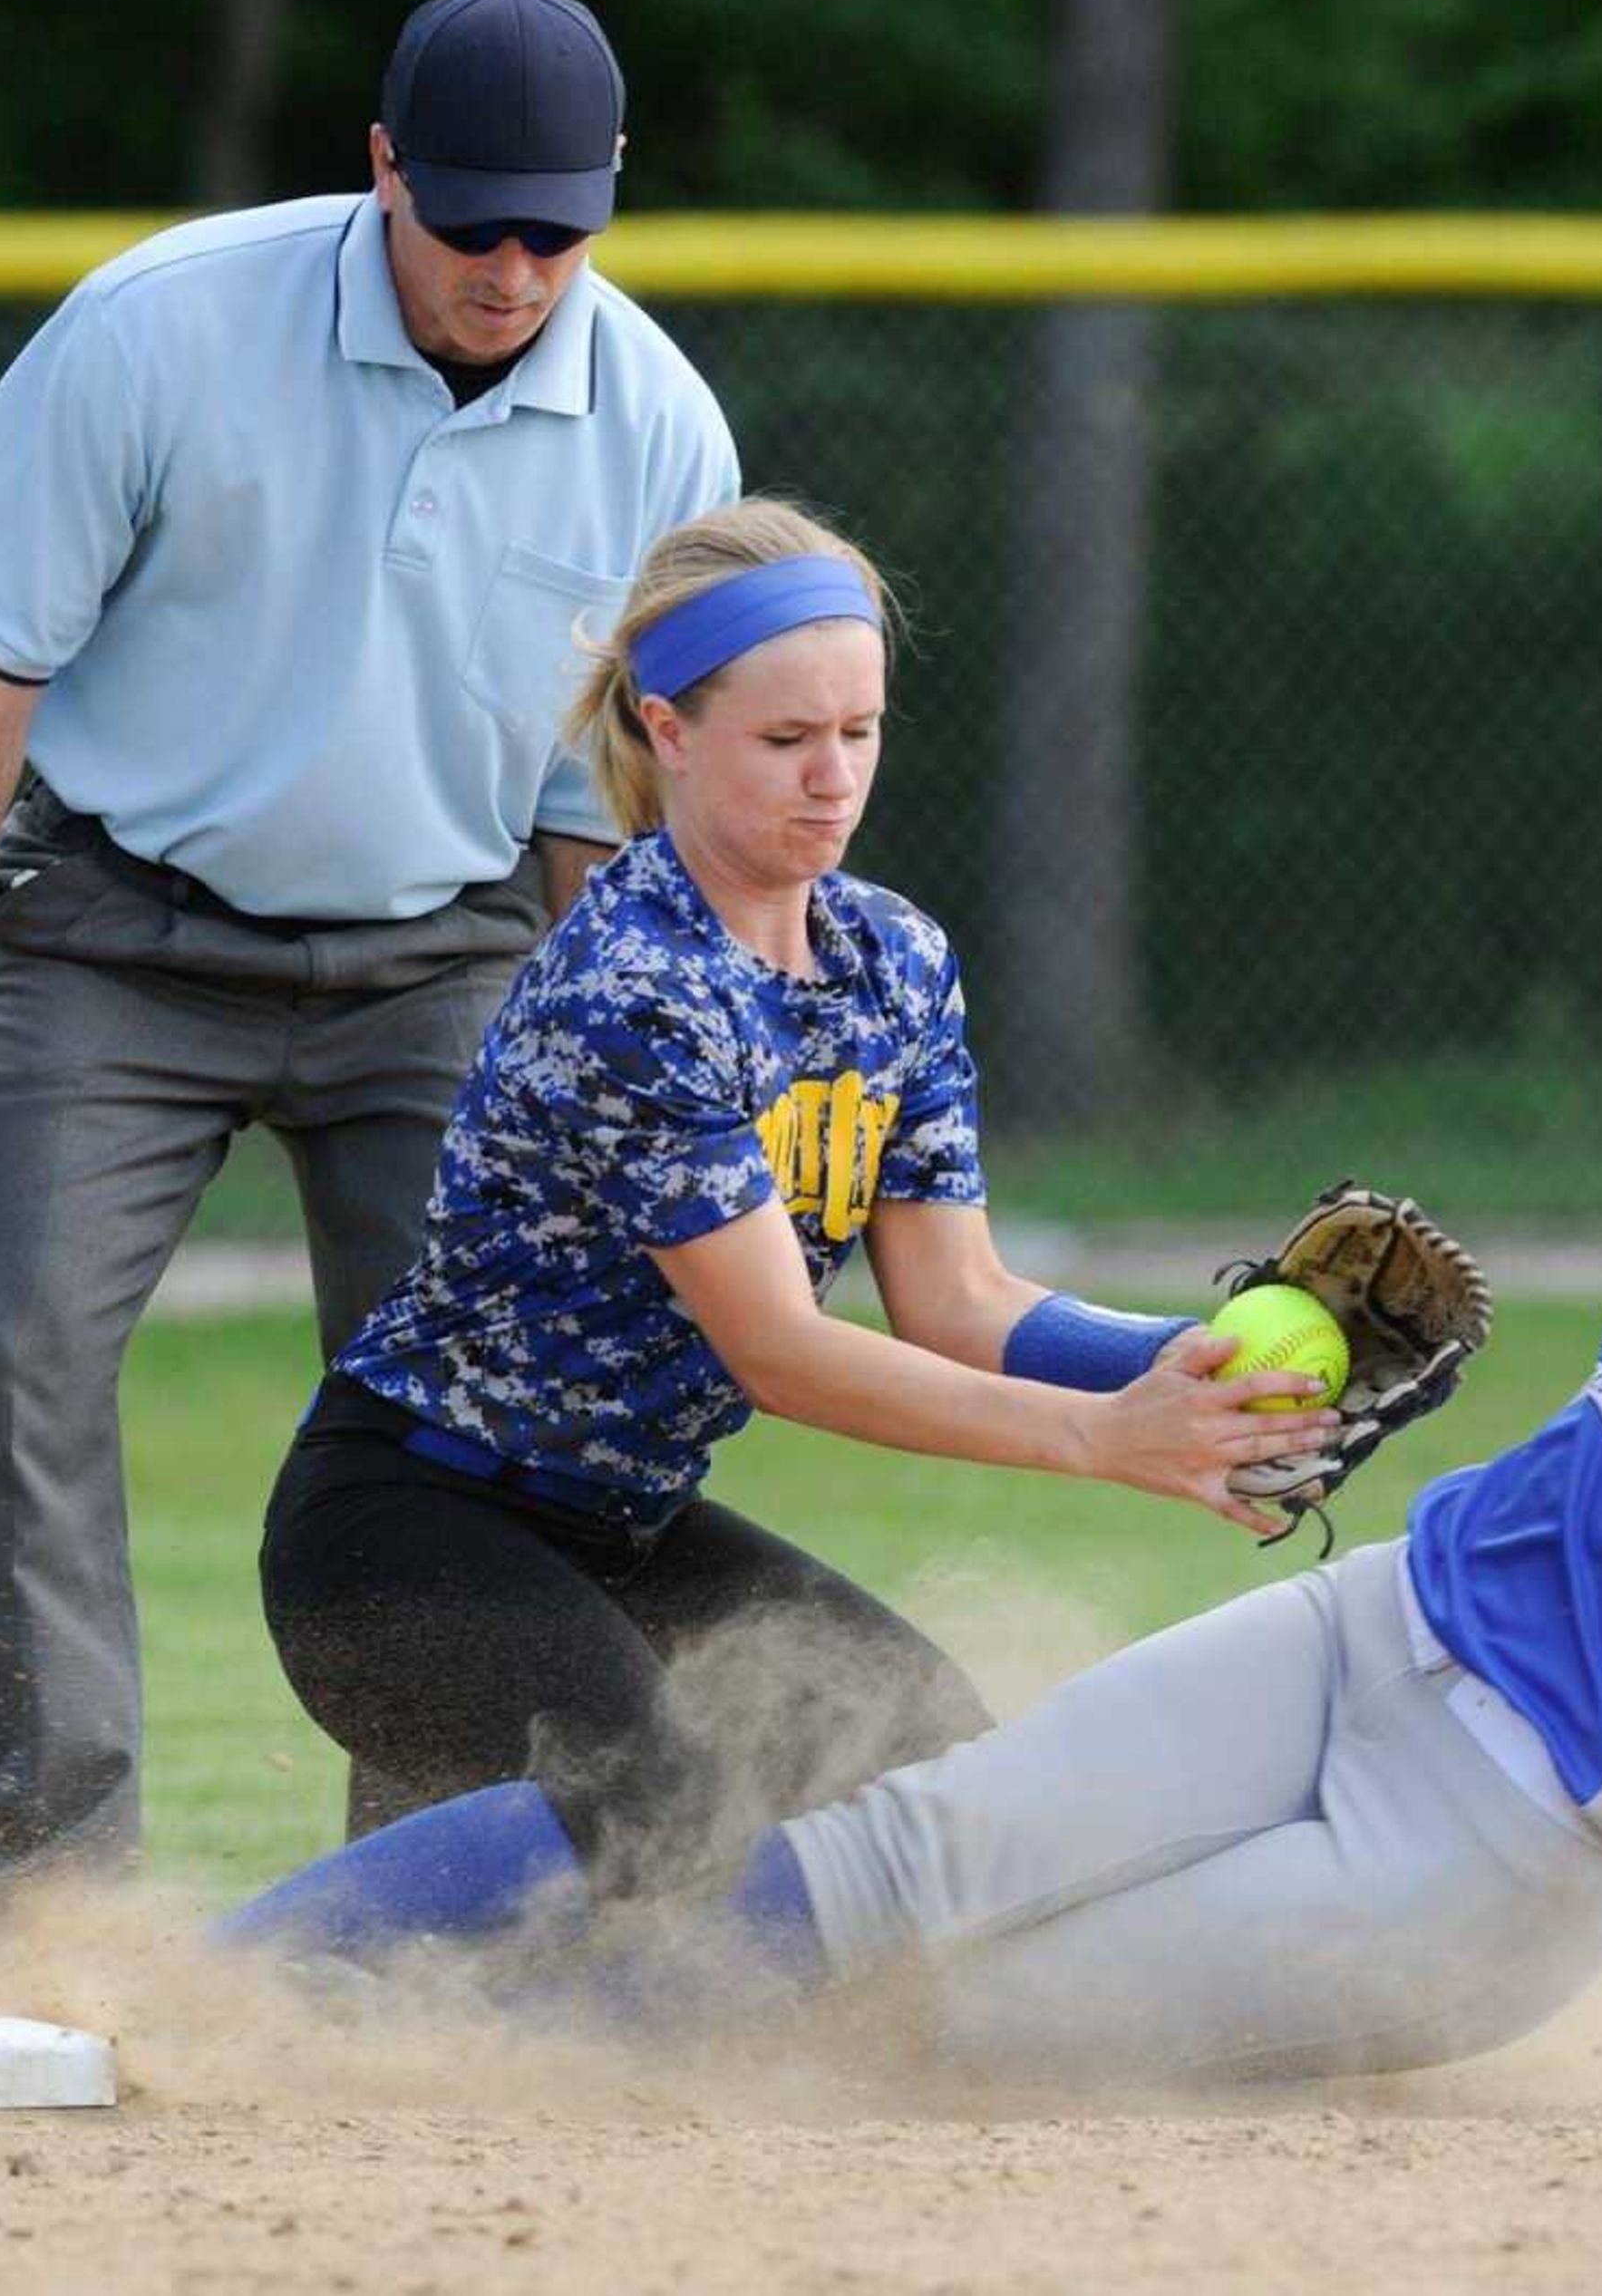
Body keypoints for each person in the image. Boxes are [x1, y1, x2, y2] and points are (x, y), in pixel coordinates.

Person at [213, 589, 1602, 2108]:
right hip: (1368, 1637)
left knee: (939, 2025)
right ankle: (201, 1998)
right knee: (872, 1873)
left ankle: (425, 2084)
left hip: (1495, 1842)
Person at [0, 0, 741, 1940]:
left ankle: (420, 1903)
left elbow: (605, 803)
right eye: (468, 218)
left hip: (443, 956)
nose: (511, 267)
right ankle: (30, 1892)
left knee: (465, 1426)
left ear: (609, 197)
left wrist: (645, 1089)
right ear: (381, 166)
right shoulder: (164, 331)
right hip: (119, 937)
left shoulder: (652, 416)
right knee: (24, 1351)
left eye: (554, 229)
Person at [252, 493, 1351, 1904]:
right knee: (669, 1842)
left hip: (615, 1528)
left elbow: (962, 1302)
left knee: (937, 1788)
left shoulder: (891, 959)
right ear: (667, 728)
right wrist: (1107, 1441)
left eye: (859, 731)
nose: (832, 776)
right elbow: (774, 1350)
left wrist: (1197, 1373)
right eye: (785, 739)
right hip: (403, 1536)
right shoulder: (637, 987)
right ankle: (218, 1999)